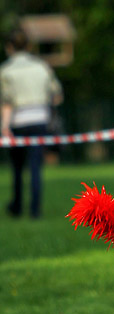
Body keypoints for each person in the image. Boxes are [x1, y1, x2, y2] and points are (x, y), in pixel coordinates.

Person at [1, 28, 63, 218]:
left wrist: (4, 126)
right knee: (36, 165)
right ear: (28, 46)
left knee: (17, 166)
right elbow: (57, 96)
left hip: (18, 120)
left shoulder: (5, 70)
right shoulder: (42, 67)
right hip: (39, 119)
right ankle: (35, 209)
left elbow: (6, 102)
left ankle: (17, 206)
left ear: (9, 47)